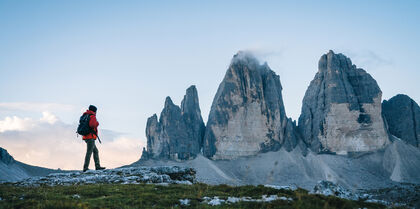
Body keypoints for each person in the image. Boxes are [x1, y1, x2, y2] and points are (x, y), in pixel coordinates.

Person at [82, 105, 105, 172]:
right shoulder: (92, 116)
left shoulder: (85, 115)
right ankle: (85, 168)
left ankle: (97, 166)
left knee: (95, 151)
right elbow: (92, 125)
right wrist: (97, 123)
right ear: (94, 111)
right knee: (89, 152)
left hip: (86, 136)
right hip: (90, 136)